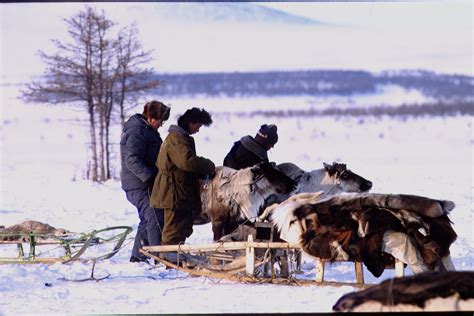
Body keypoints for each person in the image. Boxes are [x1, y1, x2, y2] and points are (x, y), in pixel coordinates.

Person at [150, 107, 215, 247]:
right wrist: (208, 166)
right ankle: (169, 258)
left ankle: (175, 256)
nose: (198, 130)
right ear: (190, 123)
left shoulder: (180, 138)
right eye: (198, 126)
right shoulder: (176, 139)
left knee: (181, 227)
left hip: (179, 192)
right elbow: (186, 162)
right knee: (173, 228)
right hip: (172, 192)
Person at [120, 100, 171, 263]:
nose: (161, 125)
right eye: (160, 121)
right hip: (139, 184)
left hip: (142, 183)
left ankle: (138, 256)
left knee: (148, 218)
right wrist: (149, 178)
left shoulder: (147, 130)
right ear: (151, 118)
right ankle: (158, 256)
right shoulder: (137, 131)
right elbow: (131, 159)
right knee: (155, 216)